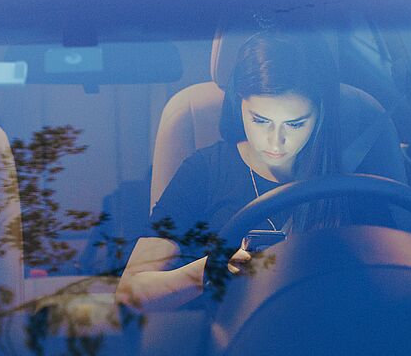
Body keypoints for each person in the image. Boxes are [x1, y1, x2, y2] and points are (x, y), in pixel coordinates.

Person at [116, 32, 348, 311]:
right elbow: (130, 292)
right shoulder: (205, 171)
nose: (275, 141)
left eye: (295, 124)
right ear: (238, 105)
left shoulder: (344, 181)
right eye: (260, 120)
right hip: (229, 344)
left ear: (320, 115)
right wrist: (212, 269)